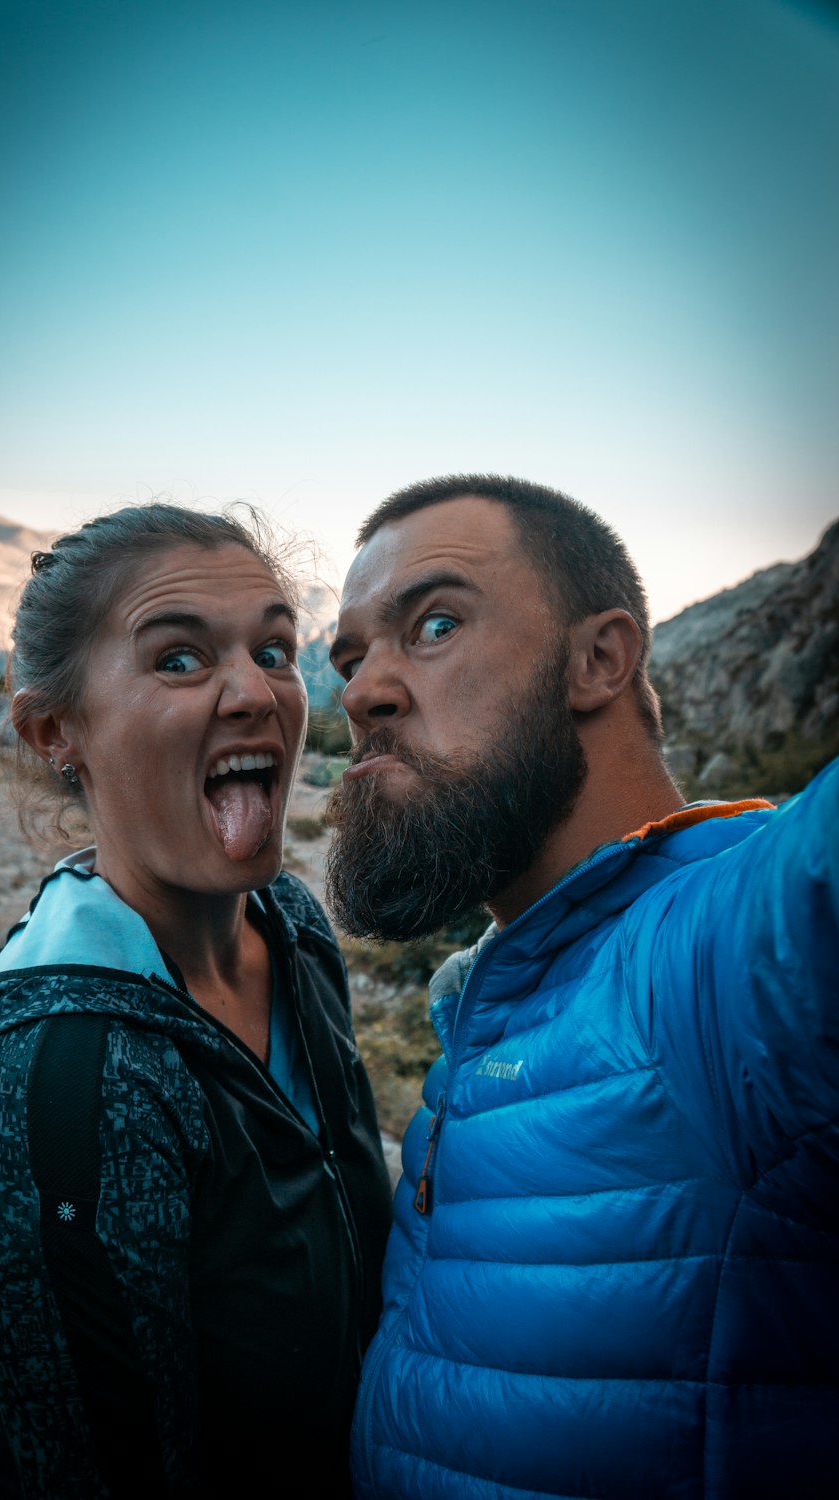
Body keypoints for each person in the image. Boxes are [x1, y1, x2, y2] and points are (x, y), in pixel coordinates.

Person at [325, 474, 839, 1500]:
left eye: (430, 625)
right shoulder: (497, 991)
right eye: (350, 658)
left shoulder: (707, 954)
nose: (363, 690)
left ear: (600, 659)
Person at [0, 503, 392, 1498]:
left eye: (272, 648)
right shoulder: (53, 1079)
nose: (257, 693)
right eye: (179, 660)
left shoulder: (292, 927)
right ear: (57, 731)